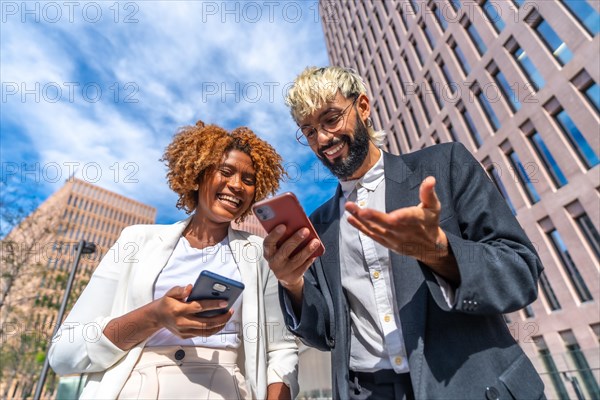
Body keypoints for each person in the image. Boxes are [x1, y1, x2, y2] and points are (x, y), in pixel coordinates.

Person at [264, 66, 545, 399]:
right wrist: (292, 283)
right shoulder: (319, 224)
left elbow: (521, 271)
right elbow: (324, 335)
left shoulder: (445, 165)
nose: (322, 139)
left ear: (363, 107)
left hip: (471, 387)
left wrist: (439, 252)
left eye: (331, 119)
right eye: (309, 131)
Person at [48, 120, 298, 400]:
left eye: (249, 180)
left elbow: (281, 350)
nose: (237, 185)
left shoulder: (259, 254)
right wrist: (154, 316)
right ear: (198, 174)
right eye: (225, 172)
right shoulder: (136, 241)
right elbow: (63, 352)